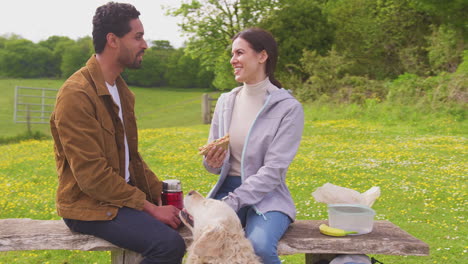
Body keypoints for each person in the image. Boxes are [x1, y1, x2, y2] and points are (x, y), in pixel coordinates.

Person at [49, 2, 185, 263]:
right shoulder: (76, 95)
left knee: (188, 221)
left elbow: (131, 157)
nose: (144, 44)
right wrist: (149, 209)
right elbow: (92, 177)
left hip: (119, 195)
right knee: (167, 245)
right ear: (112, 40)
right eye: (137, 37)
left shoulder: (121, 91)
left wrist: (159, 193)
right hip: (89, 205)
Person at [202, 27, 304, 264]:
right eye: (232, 54)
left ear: (262, 56)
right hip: (226, 191)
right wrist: (211, 162)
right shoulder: (226, 102)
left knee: (258, 247)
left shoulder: (288, 108)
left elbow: (274, 170)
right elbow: (213, 164)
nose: (233, 60)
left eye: (239, 53)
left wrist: (233, 202)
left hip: (268, 197)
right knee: (209, 244)